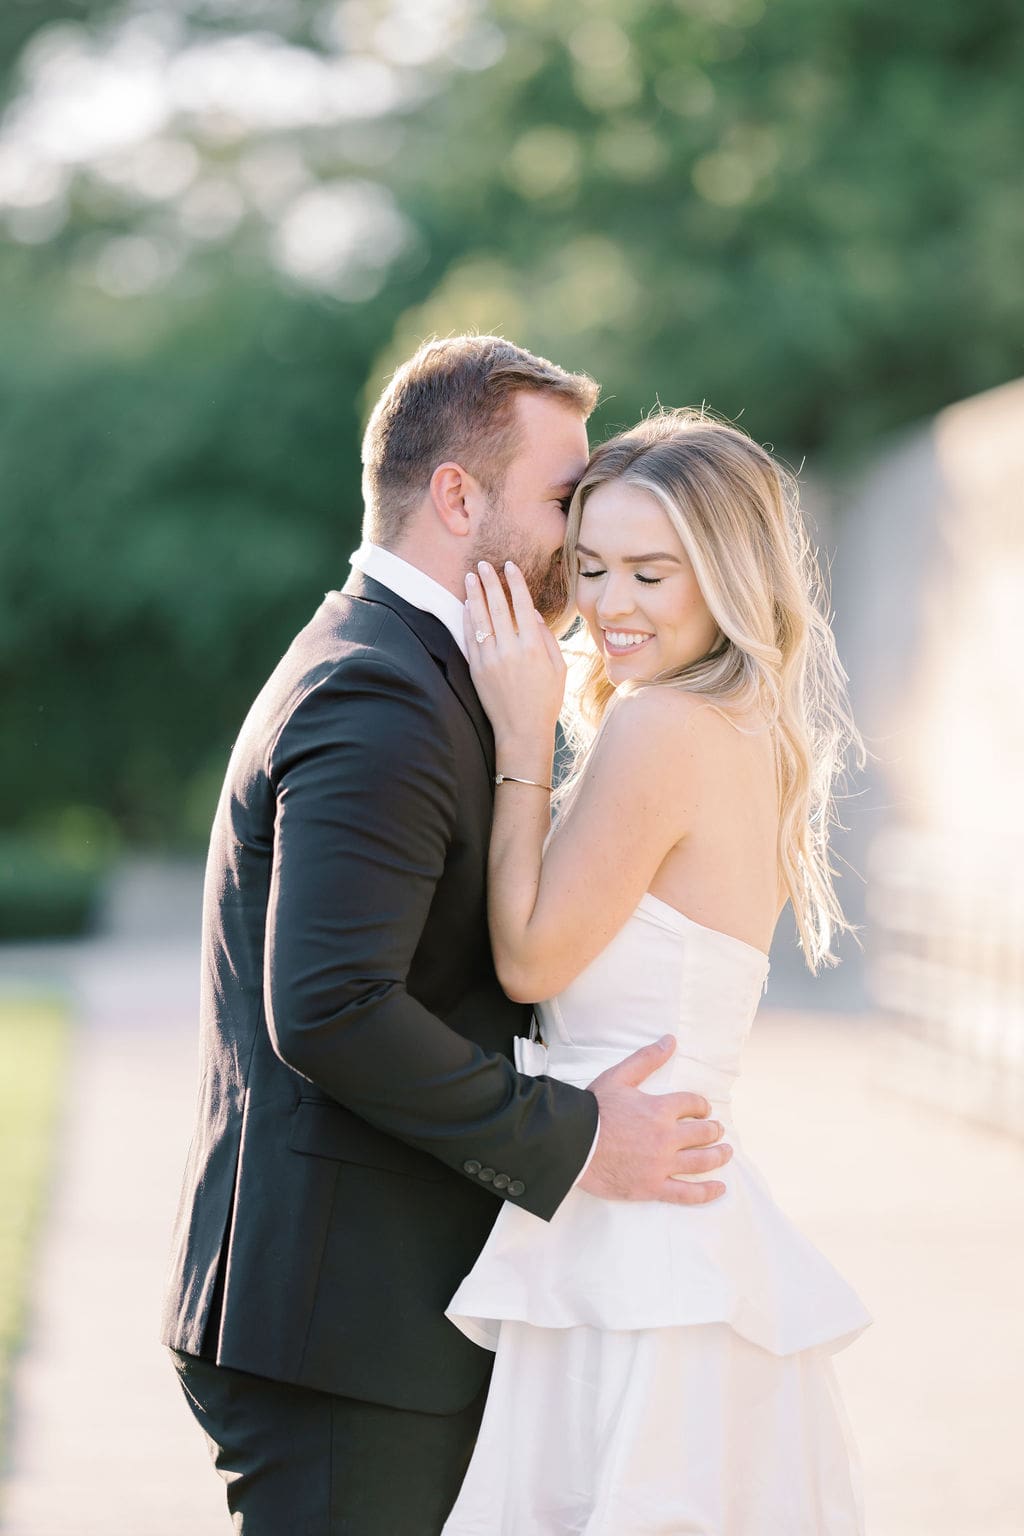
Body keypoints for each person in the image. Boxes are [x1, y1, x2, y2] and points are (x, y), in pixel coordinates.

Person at [161, 338, 735, 1536]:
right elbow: (331, 1007)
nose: (581, 549)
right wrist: (578, 1140)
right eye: (563, 501)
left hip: (378, 1311)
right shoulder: (380, 692)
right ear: (458, 495)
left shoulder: (421, 664)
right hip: (343, 1328)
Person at [442, 407, 873, 1534]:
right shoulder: (748, 724)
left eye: (648, 571)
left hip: (637, 1231)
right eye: (588, 566)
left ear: (725, 575)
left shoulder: (660, 729)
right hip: (673, 1207)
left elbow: (533, 954)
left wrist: (523, 736)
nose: (606, 605)